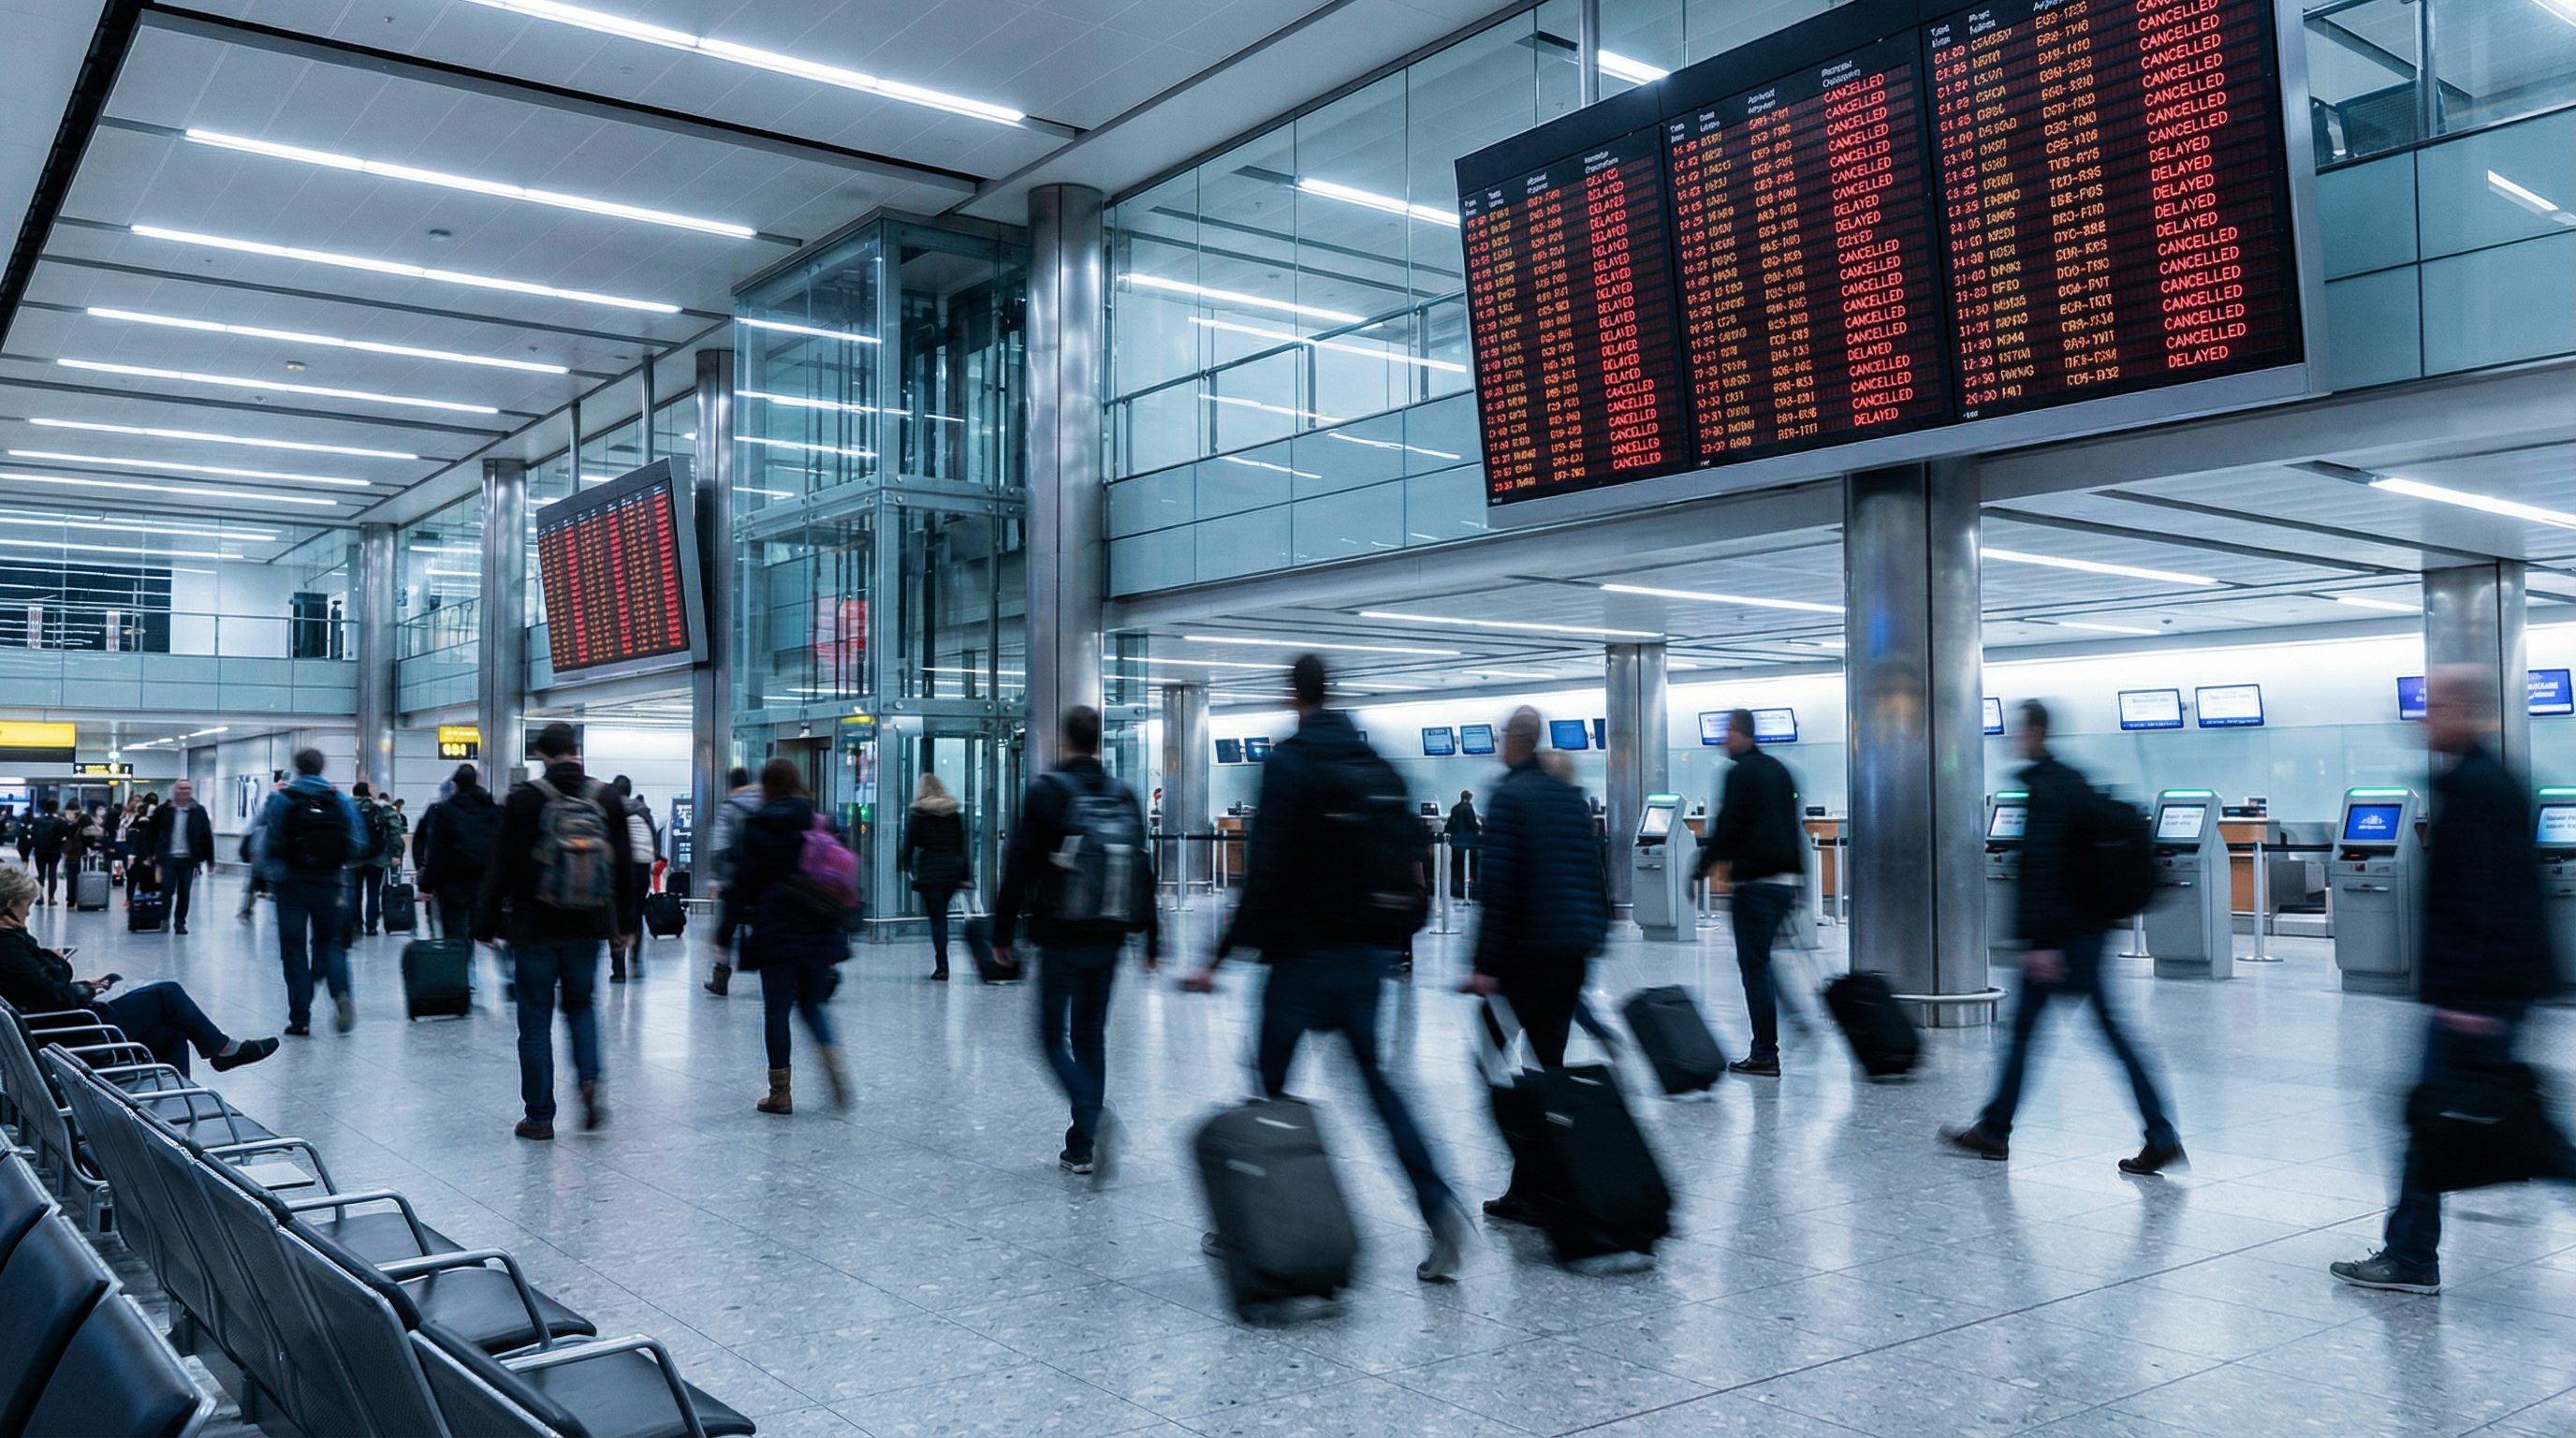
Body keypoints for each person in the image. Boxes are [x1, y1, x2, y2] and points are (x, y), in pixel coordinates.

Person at [1184, 657, 1471, 1284]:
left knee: (1270, 1092)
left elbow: (1265, 874)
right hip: (1366, 958)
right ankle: (1438, 1207)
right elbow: (1410, 857)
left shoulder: (1289, 764)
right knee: (1379, 1089)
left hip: (1301, 958)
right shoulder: (1376, 764)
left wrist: (1218, 959)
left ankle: (1257, 1222)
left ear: (1293, 694)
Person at [2333, 666, 2568, 1294]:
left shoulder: (2480, 789)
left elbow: (2486, 902)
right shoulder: (2482, 782)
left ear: (2464, 709)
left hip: (2478, 996)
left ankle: (2411, 1256)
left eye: (2433, 706)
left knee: (2455, 1120)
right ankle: (2410, 1251)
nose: (2422, 718)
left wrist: (2468, 998)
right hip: (2487, 991)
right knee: (2478, 1117)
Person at [1943, 700, 2184, 1175]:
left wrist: (2044, 943)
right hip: (2086, 932)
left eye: (2020, 729)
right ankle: (2158, 1135)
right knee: (2097, 1034)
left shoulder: (2047, 790)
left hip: (2065, 940)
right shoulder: (2070, 782)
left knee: (2037, 1034)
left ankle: (1996, 1130)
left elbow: (2047, 869)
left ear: (2036, 732)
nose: (2014, 738)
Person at [1457, 706, 1612, 1228]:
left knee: (1490, 1063)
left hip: (1525, 962)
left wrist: (1485, 966)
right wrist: (1594, 936)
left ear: (1512, 741)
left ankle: (1535, 1172)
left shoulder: (1510, 796)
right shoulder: (1570, 799)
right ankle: (1537, 1187)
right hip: (1568, 959)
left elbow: (1500, 888)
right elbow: (1594, 873)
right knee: (1548, 1069)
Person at [994, 706, 1161, 1178]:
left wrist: (1002, 933)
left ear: (1064, 741)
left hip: (1060, 935)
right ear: (1098, 742)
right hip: (1109, 936)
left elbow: (1019, 868)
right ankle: (1082, 1146)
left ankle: (1092, 1115)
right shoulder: (1122, 794)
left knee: (1050, 1038)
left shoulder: (1049, 792)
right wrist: (1153, 940)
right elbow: (1143, 871)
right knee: (1091, 1038)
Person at [475, 722, 636, 1140]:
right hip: (589, 924)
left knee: (534, 1020)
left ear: (542, 755)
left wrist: (485, 924)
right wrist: (627, 924)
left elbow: (500, 865)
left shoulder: (524, 798)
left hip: (534, 926)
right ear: (575, 749)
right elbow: (625, 866)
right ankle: (589, 1082)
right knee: (581, 1007)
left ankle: (539, 1117)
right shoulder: (605, 797)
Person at [0, 868, 276, 1078]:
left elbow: (42, 985)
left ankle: (177, 1096)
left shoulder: (11, 940)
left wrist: (81, 982)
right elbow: (54, 994)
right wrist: (85, 989)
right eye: (26, 904)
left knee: (169, 1028)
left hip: (55, 1024)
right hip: (71, 1030)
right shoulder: (8, 945)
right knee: (168, 994)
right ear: (10, 904)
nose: (28, 912)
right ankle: (222, 1049)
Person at [732, 758, 852, 1113]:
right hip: (818, 927)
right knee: (812, 1005)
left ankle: (780, 1093)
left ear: (767, 787)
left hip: (775, 931)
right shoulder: (820, 822)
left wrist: (724, 932)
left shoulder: (758, 826)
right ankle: (834, 1067)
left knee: (777, 1010)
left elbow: (743, 885)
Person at [1692, 708, 1807, 1077]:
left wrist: (1701, 867)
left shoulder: (1740, 773)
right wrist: (1800, 881)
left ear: (1742, 734)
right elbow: (1793, 827)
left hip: (1754, 886)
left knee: (1755, 968)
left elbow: (1729, 825)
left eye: (1727, 732)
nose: (1723, 740)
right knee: (1763, 961)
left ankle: (1765, 1052)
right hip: (1783, 884)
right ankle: (1794, 1019)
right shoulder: (1780, 770)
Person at [253, 750, 369, 1036]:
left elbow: (266, 839)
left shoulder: (281, 798)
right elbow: (358, 843)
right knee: (331, 944)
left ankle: (300, 1019)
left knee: (294, 949)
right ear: (321, 767)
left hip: (290, 883)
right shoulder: (339, 799)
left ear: (298, 768)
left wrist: (267, 874)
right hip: (330, 881)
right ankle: (341, 994)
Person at [415, 763, 500, 945]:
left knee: (455, 934)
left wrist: (426, 885)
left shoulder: (445, 811)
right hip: (483, 883)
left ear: (456, 785)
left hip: (452, 884)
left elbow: (437, 851)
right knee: (475, 932)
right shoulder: (493, 810)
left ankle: (460, 960)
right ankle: (470, 955)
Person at [902, 773, 970, 981]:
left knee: (937, 918)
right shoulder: (953, 814)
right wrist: (966, 875)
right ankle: (943, 964)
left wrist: (906, 866)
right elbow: (961, 846)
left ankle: (942, 964)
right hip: (950, 871)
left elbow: (909, 845)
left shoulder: (919, 814)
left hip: (929, 870)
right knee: (942, 918)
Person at [702, 767, 761, 997]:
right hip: (762, 876)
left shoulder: (730, 806)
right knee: (763, 925)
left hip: (734, 877)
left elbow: (719, 844)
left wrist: (714, 877)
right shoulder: (766, 802)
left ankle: (721, 978)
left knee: (726, 928)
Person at [140, 779, 214, 934]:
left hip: (188, 859)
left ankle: (180, 922)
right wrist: (150, 853)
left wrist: (210, 860)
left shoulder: (198, 811)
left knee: (184, 892)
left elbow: (206, 835)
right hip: (168, 857)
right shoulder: (164, 810)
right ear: (175, 791)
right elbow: (152, 833)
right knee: (167, 890)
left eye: (187, 788)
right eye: (181, 788)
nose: (184, 791)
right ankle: (164, 919)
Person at [608, 776, 658, 984]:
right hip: (643, 866)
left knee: (616, 917)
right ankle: (636, 960)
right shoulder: (643, 810)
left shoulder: (612, 808)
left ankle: (619, 970)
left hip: (621, 867)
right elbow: (654, 835)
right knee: (636, 913)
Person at [348, 782, 400, 936]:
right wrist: (395, 853)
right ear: (369, 794)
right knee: (373, 892)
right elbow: (395, 830)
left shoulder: (346, 806)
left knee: (354, 892)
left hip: (353, 858)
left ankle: (356, 923)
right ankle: (371, 926)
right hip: (377, 857)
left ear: (354, 793)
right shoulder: (382, 807)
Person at [28, 800, 66, 904]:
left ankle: (40, 897)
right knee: (52, 874)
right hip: (54, 851)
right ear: (56, 809)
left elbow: (32, 834)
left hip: (40, 850)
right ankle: (51, 897)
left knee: (41, 874)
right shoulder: (60, 822)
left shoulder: (37, 821)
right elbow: (66, 834)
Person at [1446, 789, 1482, 901]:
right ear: (1469, 798)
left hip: (1456, 842)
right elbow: (1472, 823)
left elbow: (1450, 824)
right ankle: (1469, 889)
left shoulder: (1455, 808)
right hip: (1468, 842)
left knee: (1457, 867)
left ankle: (1456, 889)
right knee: (1470, 866)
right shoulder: (1469, 808)